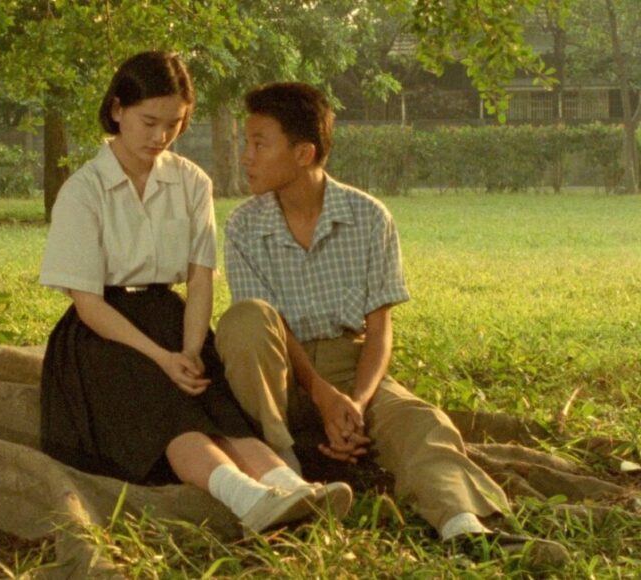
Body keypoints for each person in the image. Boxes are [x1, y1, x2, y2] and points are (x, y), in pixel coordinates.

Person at [215, 81, 569, 565]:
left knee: (421, 420)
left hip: (349, 366)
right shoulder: (243, 226)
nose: (245, 156)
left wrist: (355, 404)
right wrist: (320, 393)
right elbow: (265, 328)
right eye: (244, 143)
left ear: (303, 153)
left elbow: (379, 330)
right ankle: (288, 476)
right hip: (274, 374)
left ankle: (464, 527)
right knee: (247, 320)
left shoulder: (368, 217)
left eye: (258, 143)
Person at [38, 53, 352, 534]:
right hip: (102, 333)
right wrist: (162, 359)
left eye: (174, 124)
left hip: (171, 316)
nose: (159, 137)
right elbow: (87, 303)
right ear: (117, 109)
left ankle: (291, 487)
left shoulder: (190, 182)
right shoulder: (84, 190)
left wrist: (187, 349)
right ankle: (246, 497)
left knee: (217, 403)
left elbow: (200, 277)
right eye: (148, 121)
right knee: (168, 406)